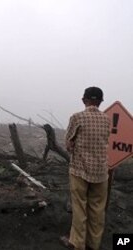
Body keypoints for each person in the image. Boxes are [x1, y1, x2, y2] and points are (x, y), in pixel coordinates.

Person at [61, 86, 111, 250]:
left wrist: (73, 144)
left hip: (79, 170)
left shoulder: (77, 117)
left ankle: (77, 243)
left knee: (79, 208)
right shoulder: (107, 119)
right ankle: (94, 244)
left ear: (84, 100)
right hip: (101, 172)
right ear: (100, 102)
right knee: (97, 210)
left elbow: (68, 143)